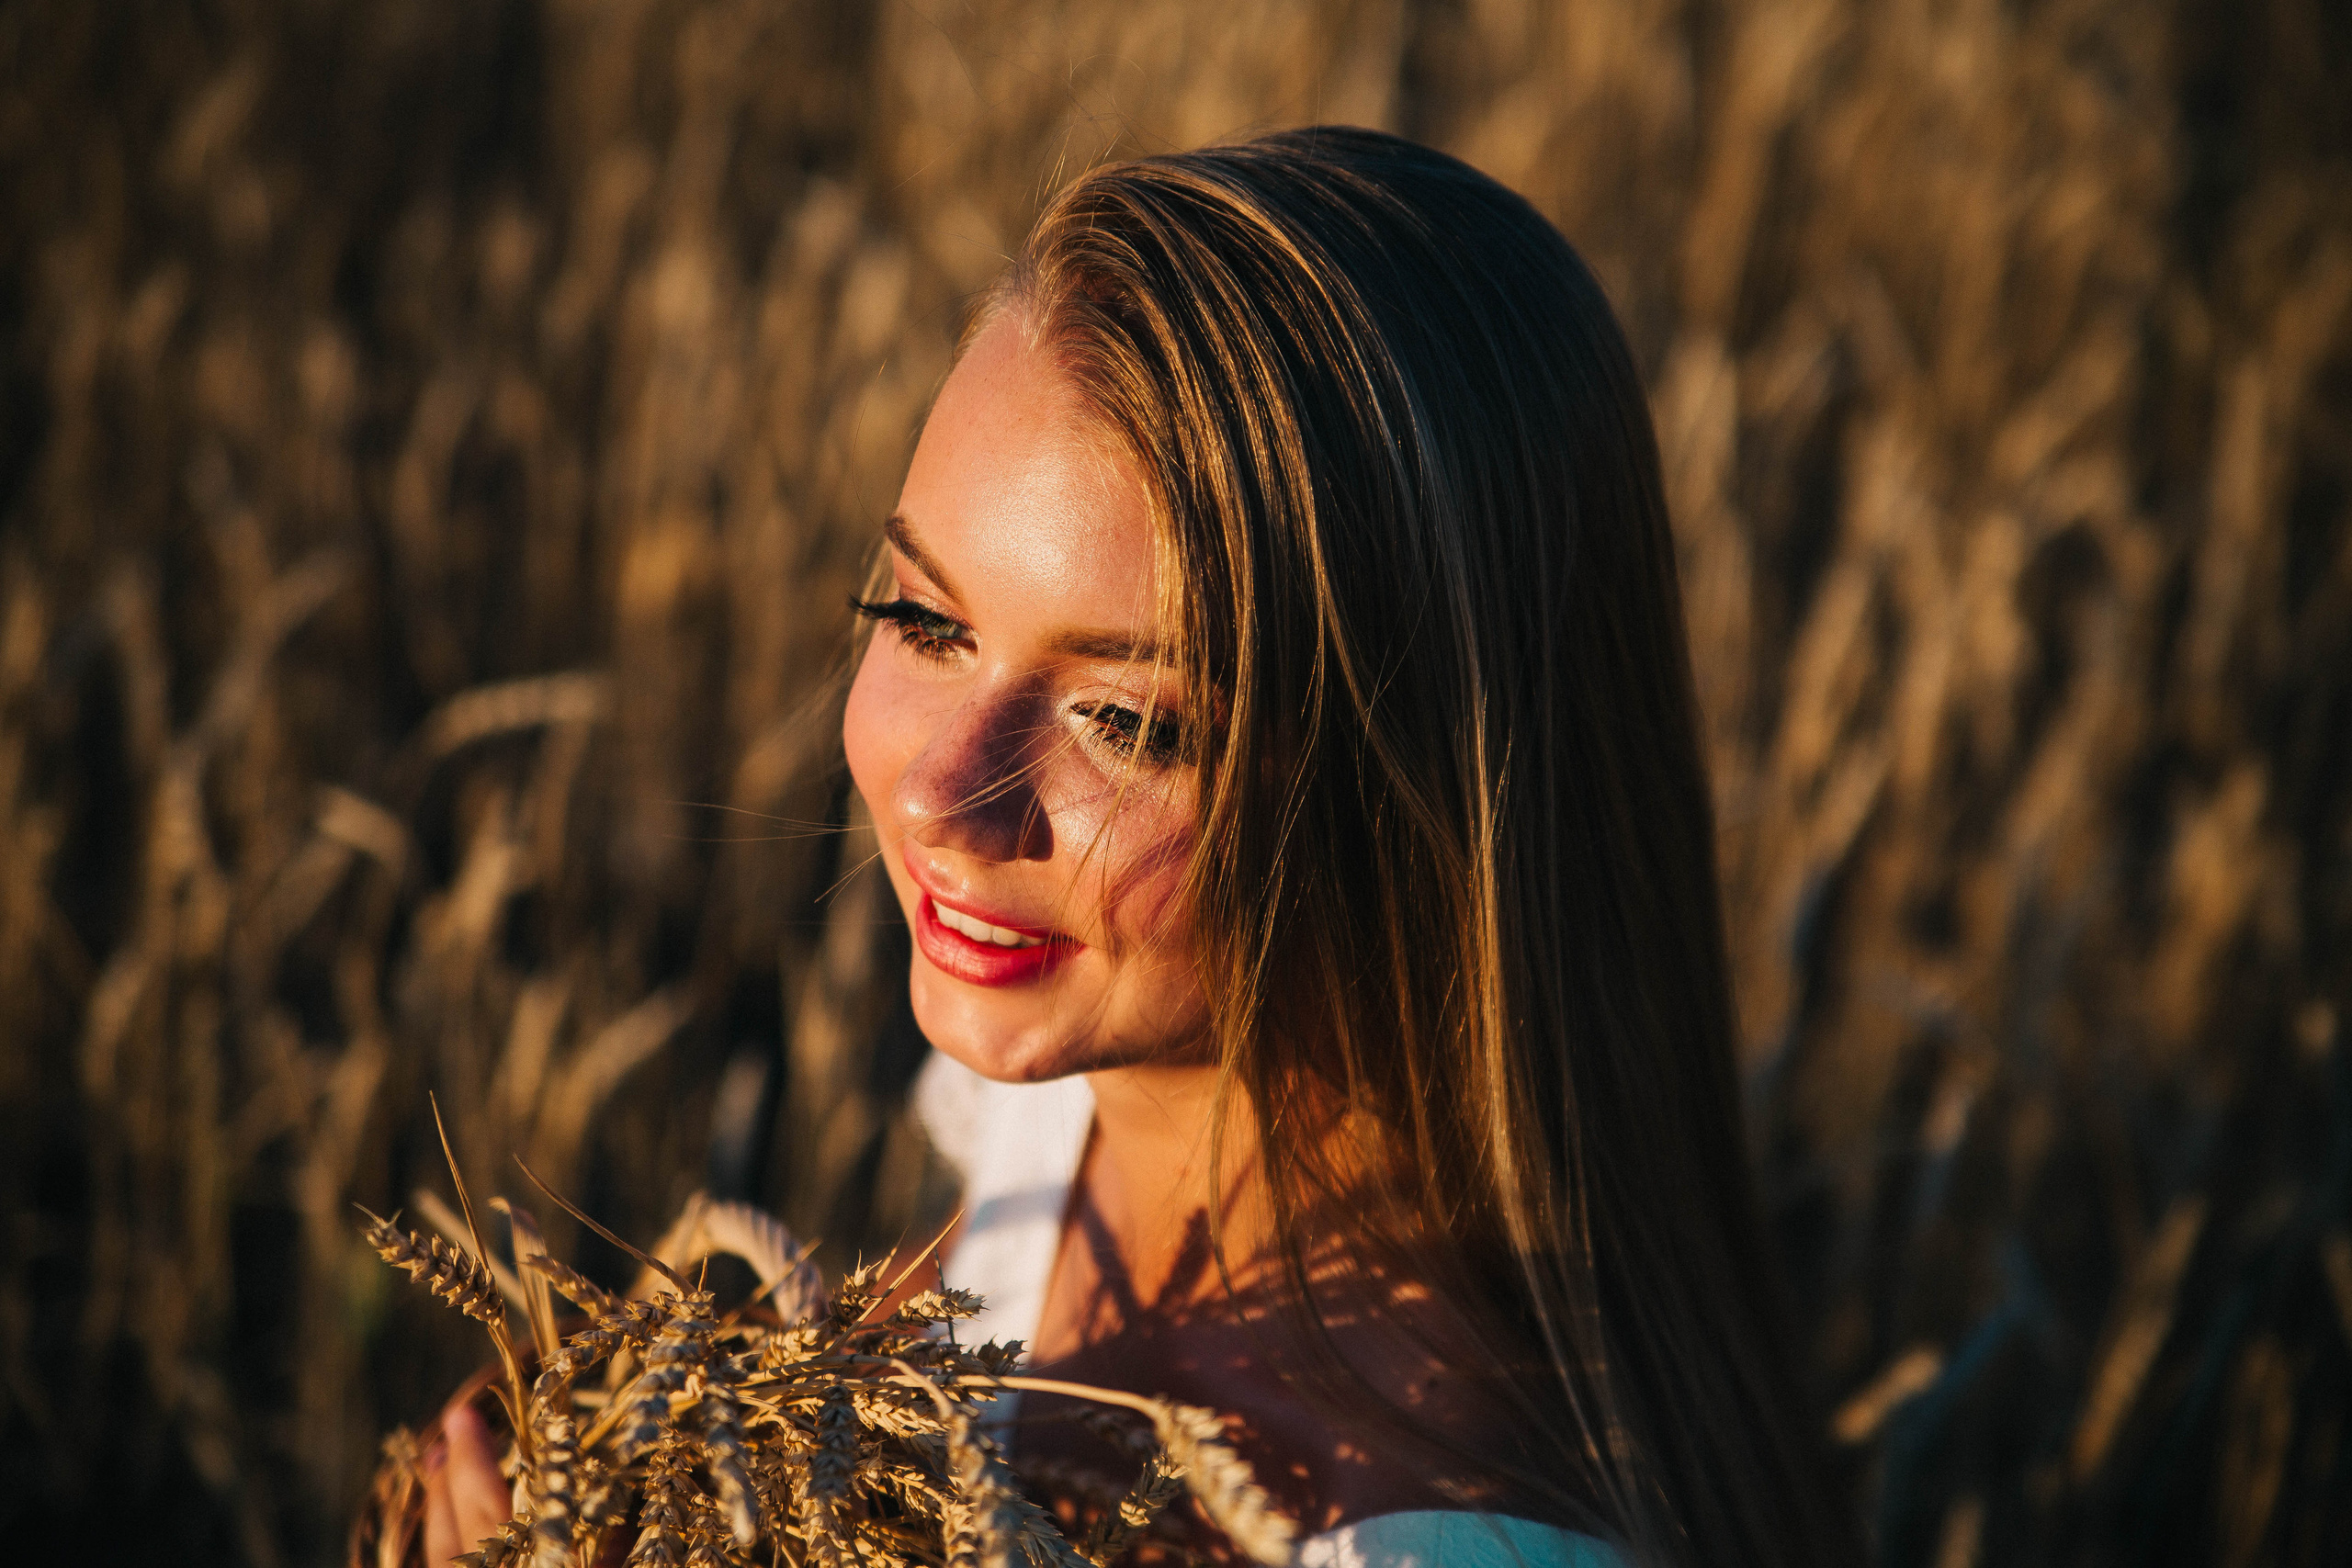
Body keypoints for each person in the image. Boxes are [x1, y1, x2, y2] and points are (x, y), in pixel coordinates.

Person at [423, 128, 1855, 1568]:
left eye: (1128, 722)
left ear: (1425, 791)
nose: (939, 797)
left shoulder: (1412, 1543)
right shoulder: (1073, 1113)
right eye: (925, 622)